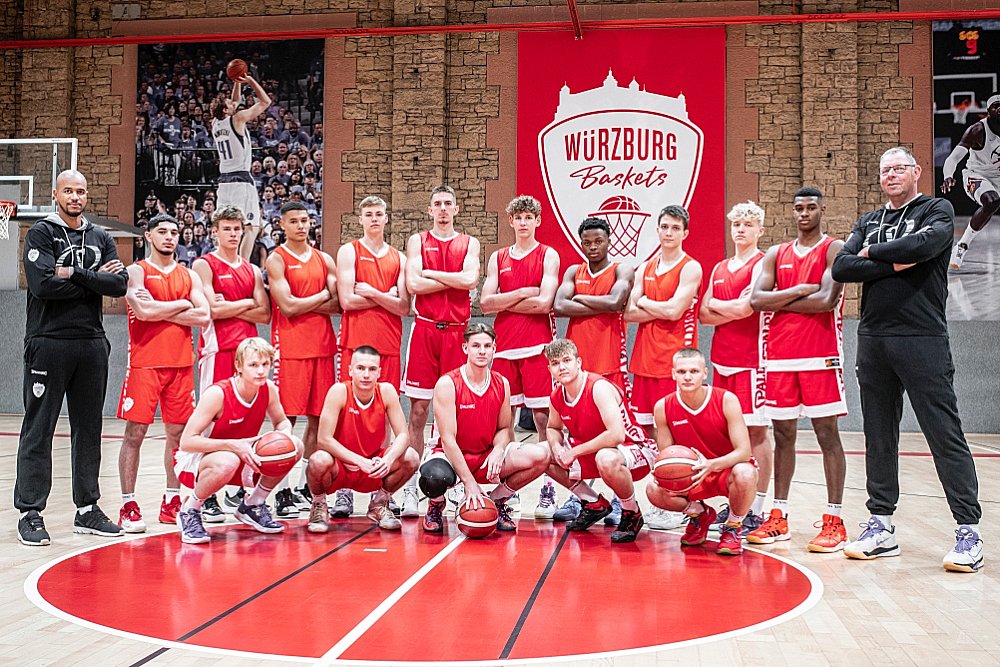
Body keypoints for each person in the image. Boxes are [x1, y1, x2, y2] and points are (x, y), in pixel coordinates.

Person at [832, 146, 984, 572]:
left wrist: (872, 254)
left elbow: (928, 243)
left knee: (944, 434)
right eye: (885, 170)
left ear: (916, 171)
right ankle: (881, 526)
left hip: (922, 338)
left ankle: (969, 531)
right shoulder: (869, 220)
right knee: (879, 434)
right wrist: (897, 261)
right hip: (873, 339)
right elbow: (842, 267)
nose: (891, 175)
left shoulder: (936, 209)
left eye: (899, 168)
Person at [15, 170, 129, 546]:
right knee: (39, 428)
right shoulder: (41, 233)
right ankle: (31, 512)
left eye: (81, 191)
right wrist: (94, 280)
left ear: (86, 195)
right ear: (55, 194)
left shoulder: (100, 237)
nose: (75, 197)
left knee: (89, 428)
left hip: (92, 343)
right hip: (48, 341)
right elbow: (43, 285)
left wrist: (75, 273)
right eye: (68, 191)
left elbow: (119, 285)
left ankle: (87, 509)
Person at [749, 187, 847, 552]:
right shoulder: (776, 253)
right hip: (780, 356)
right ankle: (779, 516)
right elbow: (757, 300)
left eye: (810, 208)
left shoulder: (834, 249)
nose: (804, 213)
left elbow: (826, 300)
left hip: (820, 355)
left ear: (822, 210)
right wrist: (803, 289)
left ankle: (834, 520)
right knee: (783, 435)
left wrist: (782, 298)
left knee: (827, 435)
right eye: (799, 208)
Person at [549, 217, 653, 528]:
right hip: (575, 365)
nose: (593, 247)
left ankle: (622, 500)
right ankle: (584, 497)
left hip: (609, 361)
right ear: (580, 243)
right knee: (575, 430)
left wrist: (580, 299)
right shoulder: (573, 271)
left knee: (613, 436)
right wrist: (600, 304)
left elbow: (616, 301)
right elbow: (559, 306)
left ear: (609, 241)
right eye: (587, 242)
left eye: (598, 241)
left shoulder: (622, 270)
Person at [116, 214, 210, 533]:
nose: (169, 237)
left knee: (178, 436)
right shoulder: (136, 271)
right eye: (163, 232)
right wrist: (182, 305)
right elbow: (143, 311)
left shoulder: (188, 274)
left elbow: (204, 315)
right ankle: (128, 504)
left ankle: (171, 500)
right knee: (135, 434)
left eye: (174, 232)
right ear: (149, 236)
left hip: (181, 364)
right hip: (145, 363)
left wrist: (162, 308)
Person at [419, 323, 550, 533]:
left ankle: (496, 501)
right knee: (433, 477)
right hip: (449, 456)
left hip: (485, 456)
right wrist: (469, 483)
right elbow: (448, 441)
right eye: (476, 346)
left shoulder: (502, 383)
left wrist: (498, 449)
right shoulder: (447, 384)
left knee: (542, 455)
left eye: (487, 346)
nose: (482, 351)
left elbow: (504, 428)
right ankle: (436, 504)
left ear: (494, 349)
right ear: (465, 348)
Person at [175, 337, 303, 544]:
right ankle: (190, 509)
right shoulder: (218, 394)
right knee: (228, 460)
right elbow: (187, 442)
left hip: (243, 453)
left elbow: (282, 422)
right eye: (253, 365)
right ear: (239, 366)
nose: (260, 371)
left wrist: (283, 436)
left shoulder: (269, 389)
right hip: (200, 459)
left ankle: (253, 504)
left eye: (265, 364)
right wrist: (233, 445)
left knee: (295, 446)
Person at [479, 195, 559, 518]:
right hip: (505, 348)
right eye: (518, 217)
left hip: (538, 347)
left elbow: (544, 303)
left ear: (537, 221)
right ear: (511, 221)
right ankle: (507, 493)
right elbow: (485, 304)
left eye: (529, 217)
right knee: (504, 421)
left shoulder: (548, 255)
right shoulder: (498, 257)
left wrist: (505, 300)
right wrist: (525, 292)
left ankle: (548, 490)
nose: (523, 222)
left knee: (544, 420)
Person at [402, 186, 480, 516]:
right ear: (430, 210)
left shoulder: (469, 243)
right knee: (419, 412)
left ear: (457, 209)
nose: (443, 208)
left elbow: (470, 279)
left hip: (458, 332)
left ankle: (457, 481)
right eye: (438, 204)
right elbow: (413, 285)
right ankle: (409, 486)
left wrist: (431, 274)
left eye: (448, 203)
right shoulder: (418, 241)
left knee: (457, 414)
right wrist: (454, 279)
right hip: (425, 330)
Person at [192, 205, 270, 520]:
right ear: (215, 231)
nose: (233, 234)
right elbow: (212, 310)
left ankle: (239, 487)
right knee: (212, 422)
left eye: (237, 228)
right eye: (227, 228)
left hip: (249, 354)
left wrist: (233, 305)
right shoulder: (204, 264)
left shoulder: (252, 269)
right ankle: (205, 491)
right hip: (218, 349)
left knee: (247, 420)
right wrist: (247, 302)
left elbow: (264, 313)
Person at [334, 196, 410, 518]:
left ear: (386, 218)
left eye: (380, 213)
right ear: (361, 219)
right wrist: (386, 297)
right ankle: (343, 489)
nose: (375, 218)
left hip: (388, 345)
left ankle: (381, 492)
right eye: (369, 214)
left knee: (387, 419)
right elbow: (347, 300)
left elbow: (404, 307)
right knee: (345, 417)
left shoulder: (399, 257)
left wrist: (371, 292)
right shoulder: (349, 251)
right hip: (355, 344)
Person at [699, 201, 772, 536]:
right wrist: (728, 306)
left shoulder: (762, 263)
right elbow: (704, 314)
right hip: (722, 358)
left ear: (760, 230)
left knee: (756, 433)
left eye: (748, 224)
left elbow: (748, 308)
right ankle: (737, 502)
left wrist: (720, 305)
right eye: (736, 224)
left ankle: (757, 509)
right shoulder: (719, 267)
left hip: (752, 359)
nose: (741, 229)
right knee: (731, 436)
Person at [544, 338, 657, 543]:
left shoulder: (598, 387)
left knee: (606, 458)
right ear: (549, 369)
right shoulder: (557, 395)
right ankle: (593, 503)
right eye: (555, 363)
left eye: (566, 360)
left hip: (633, 448)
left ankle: (631, 512)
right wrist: (556, 446)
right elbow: (552, 428)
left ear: (578, 362)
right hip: (594, 451)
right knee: (542, 454)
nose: (561, 367)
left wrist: (573, 452)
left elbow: (616, 435)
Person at [266, 200, 338, 518]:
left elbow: (339, 304)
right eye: (294, 221)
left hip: (322, 348)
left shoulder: (324, 259)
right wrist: (321, 295)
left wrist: (305, 301)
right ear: (282, 224)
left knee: (319, 420)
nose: (300, 226)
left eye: (305, 220)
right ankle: (280, 490)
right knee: (286, 421)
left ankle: (304, 485)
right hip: (291, 349)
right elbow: (288, 307)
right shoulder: (277, 259)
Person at [647, 348, 758, 556]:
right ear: (673, 374)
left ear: (705, 373)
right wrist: (663, 471)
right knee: (654, 489)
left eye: (694, 371)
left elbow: (744, 452)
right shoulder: (663, 406)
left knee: (746, 472)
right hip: (693, 474)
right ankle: (699, 515)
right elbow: (666, 453)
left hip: (725, 470)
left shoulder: (726, 400)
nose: (687, 377)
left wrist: (711, 465)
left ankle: (733, 527)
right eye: (681, 372)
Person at [306, 347, 419, 533]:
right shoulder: (339, 391)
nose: (366, 375)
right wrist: (360, 461)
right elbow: (324, 439)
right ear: (350, 370)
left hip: (373, 467)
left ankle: (379, 503)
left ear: (379, 372)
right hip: (341, 467)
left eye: (372, 369)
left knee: (411, 457)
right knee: (318, 460)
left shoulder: (387, 391)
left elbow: (403, 435)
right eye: (360, 368)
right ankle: (319, 505)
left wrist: (387, 460)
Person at [624, 205, 702, 437]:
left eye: (675, 228)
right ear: (657, 230)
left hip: (675, 359)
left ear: (685, 233)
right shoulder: (645, 268)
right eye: (665, 227)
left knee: (675, 427)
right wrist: (663, 307)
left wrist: (645, 302)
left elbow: (675, 312)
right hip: (644, 359)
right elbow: (628, 313)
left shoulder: (690, 267)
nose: (669, 233)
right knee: (644, 427)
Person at [210, 73, 271, 261]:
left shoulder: (215, 123)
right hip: (241, 181)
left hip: (224, 182)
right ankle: (242, 265)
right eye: (230, 103)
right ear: (226, 110)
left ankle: (224, 262)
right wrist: (250, 81)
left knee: (225, 226)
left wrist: (237, 83)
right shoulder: (237, 119)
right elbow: (265, 102)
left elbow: (235, 100)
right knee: (252, 226)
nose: (234, 103)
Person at [942, 94, 1000, 269]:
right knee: (991, 201)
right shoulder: (977, 131)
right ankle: (962, 245)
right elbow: (953, 158)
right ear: (988, 111)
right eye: (996, 105)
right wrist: (948, 176)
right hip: (976, 174)